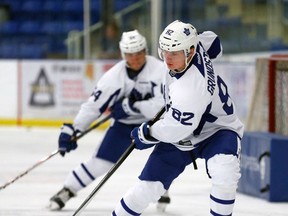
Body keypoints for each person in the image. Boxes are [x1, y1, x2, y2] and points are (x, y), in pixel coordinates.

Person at [112, 20, 244, 216]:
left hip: (217, 130)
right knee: (146, 189)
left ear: (190, 52)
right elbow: (215, 43)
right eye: (165, 51)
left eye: (174, 53)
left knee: (225, 175)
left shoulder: (190, 89)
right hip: (185, 127)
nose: (168, 58)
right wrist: (188, 36)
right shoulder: (196, 45)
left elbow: (176, 129)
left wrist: (146, 133)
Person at [47, 30, 169, 210]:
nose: (135, 58)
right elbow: (93, 105)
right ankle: (67, 189)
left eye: (138, 53)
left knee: (164, 158)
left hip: (155, 124)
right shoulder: (114, 76)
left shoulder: (160, 70)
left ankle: (162, 189)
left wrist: (131, 106)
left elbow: (163, 105)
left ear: (145, 50)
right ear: (123, 54)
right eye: (130, 54)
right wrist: (73, 129)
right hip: (124, 126)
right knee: (100, 162)